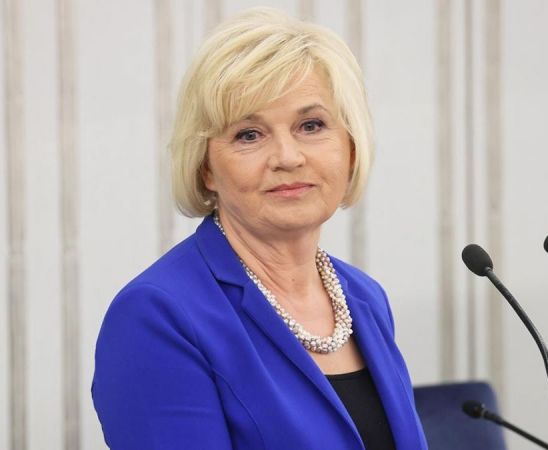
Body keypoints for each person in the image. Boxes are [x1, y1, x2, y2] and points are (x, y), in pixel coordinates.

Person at [92, 7, 428, 450]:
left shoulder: (364, 298)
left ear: (350, 147)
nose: (287, 157)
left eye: (311, 125)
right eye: (249, 134)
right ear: (206, 167)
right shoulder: (157, 317)